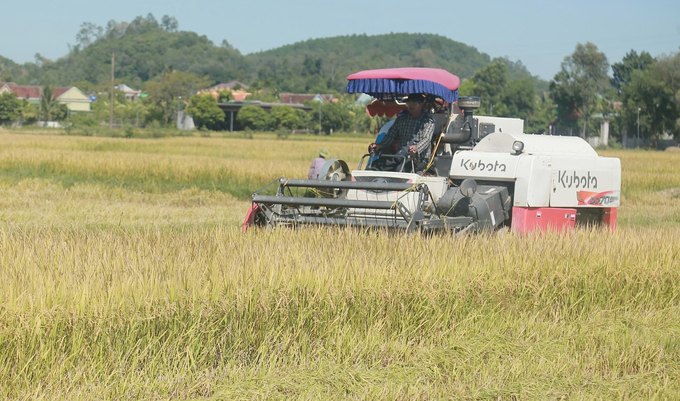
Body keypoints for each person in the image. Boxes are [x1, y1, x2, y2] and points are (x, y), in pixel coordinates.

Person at [368, 93, 435, 173]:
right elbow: (390, 136)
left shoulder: (428, 121)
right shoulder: (401, 119)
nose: (411, 106)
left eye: (414, 103)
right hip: (400, 156)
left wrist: (416, 148)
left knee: (400, 169)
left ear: (421, 104)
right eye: (409, 103)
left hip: (419, 159)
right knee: (376, 165)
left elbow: (426, 140)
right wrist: (379, 145)